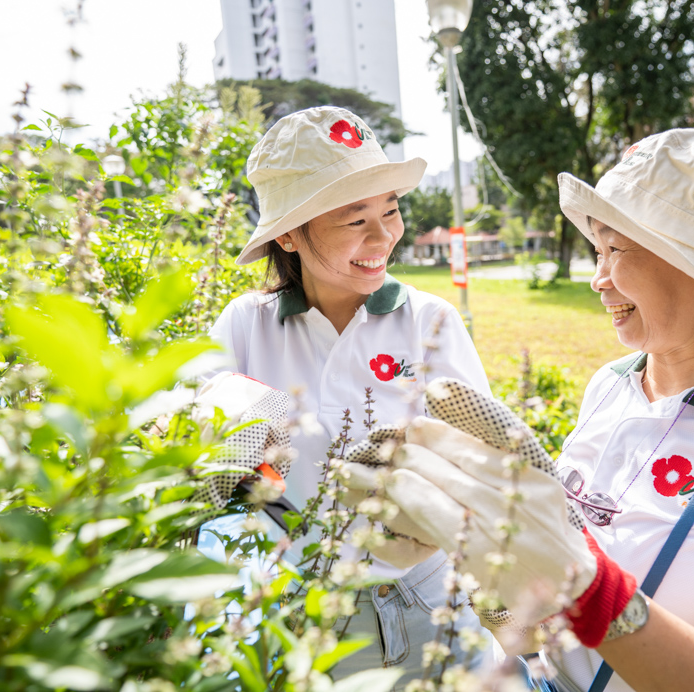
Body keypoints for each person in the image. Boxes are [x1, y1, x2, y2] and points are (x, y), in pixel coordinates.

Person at [346, 129, 694, 692]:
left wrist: (586, 591)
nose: (598, 281)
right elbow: (570, 544)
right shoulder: (611, 385)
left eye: (616, 250)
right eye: (596, 251)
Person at [203, 106, 492, 685]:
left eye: (390, 210)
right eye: (354, 219)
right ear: (289, 232)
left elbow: (485, 472)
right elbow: (197, 467)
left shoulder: (429, 322)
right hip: (296, 614)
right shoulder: (244, 326)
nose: (384, 235)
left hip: (424, 605)